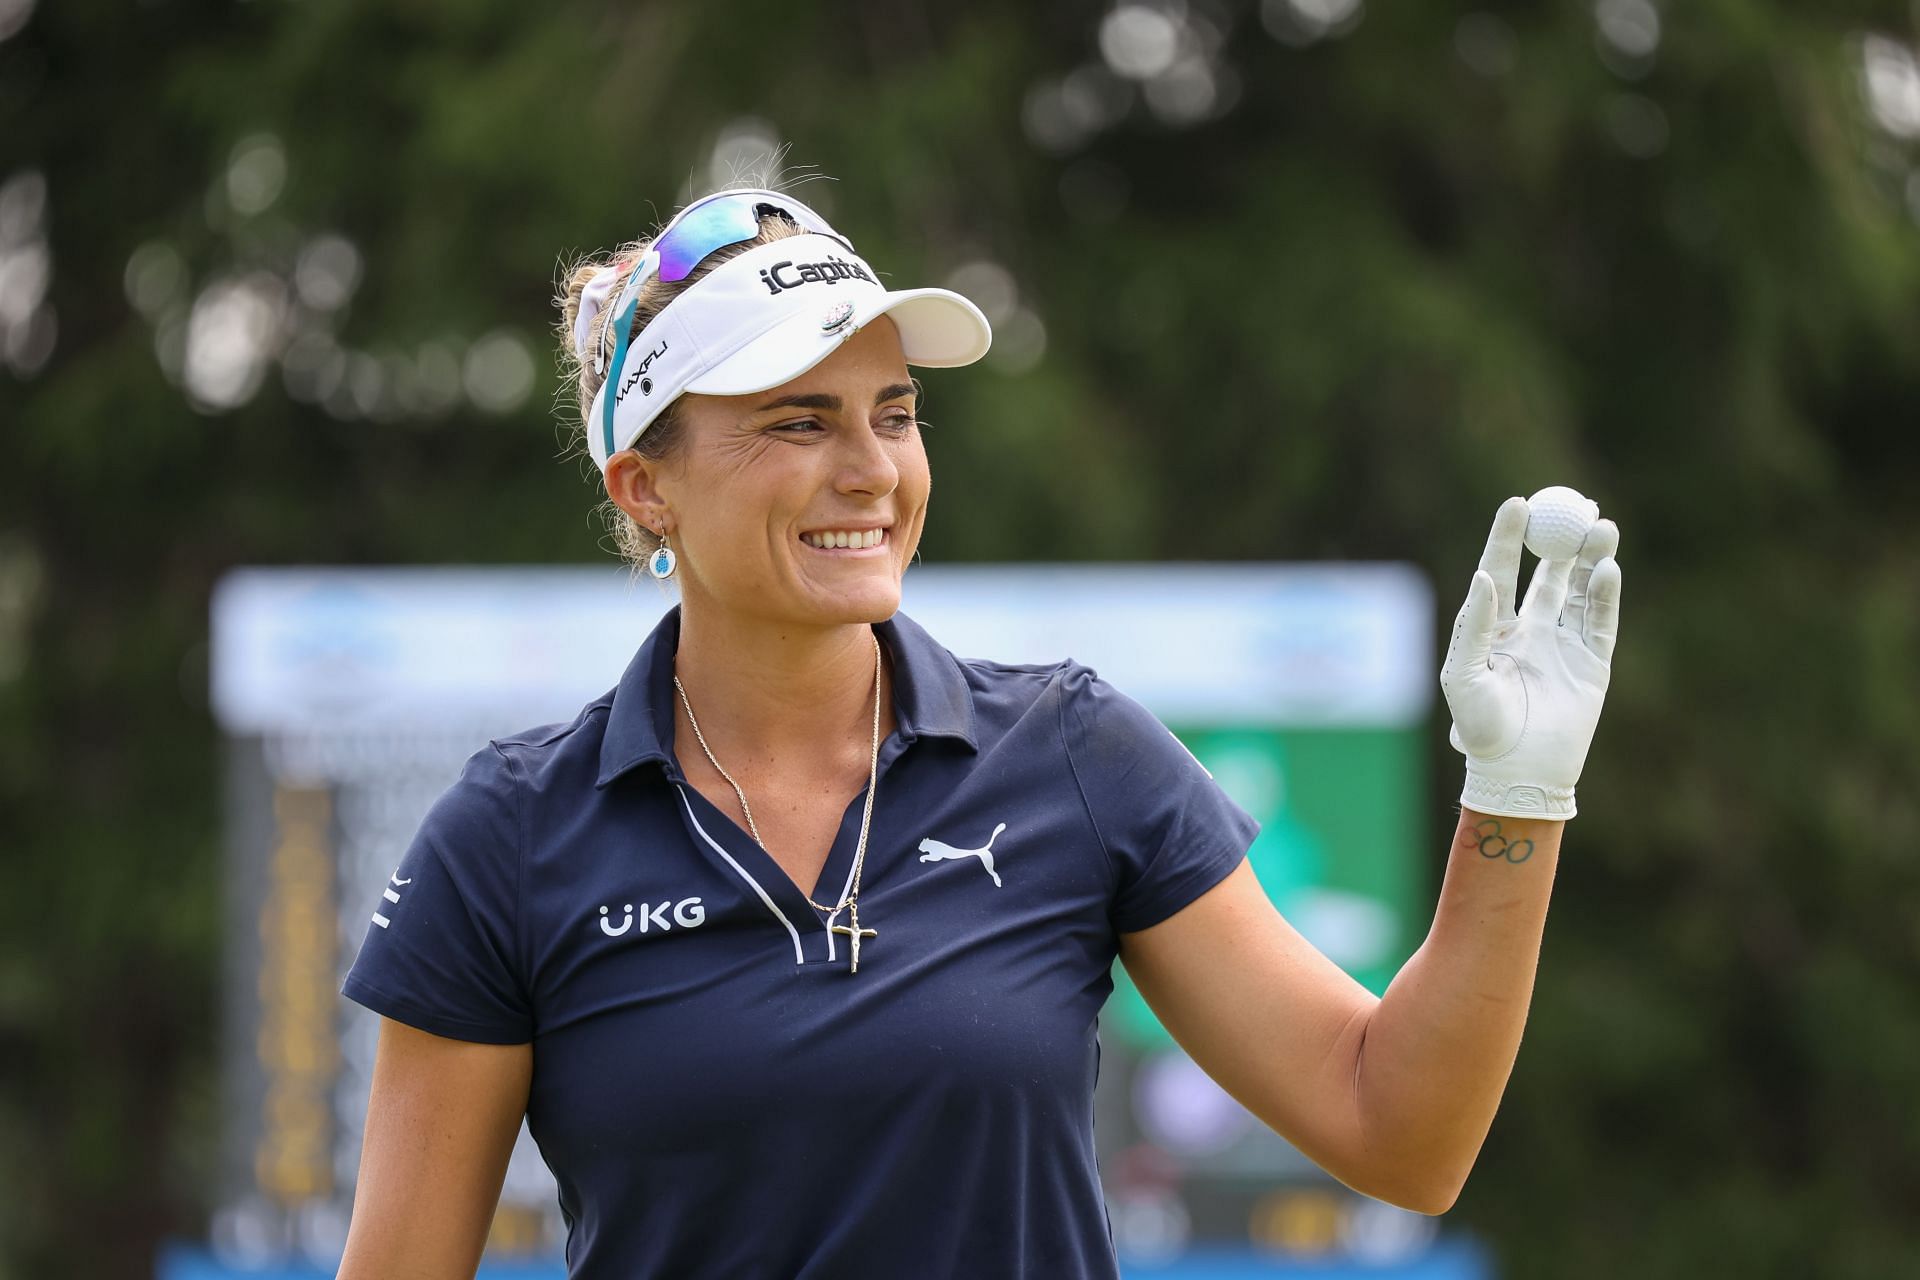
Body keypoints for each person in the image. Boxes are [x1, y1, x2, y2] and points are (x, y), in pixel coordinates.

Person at [335, 182, 1624, 1280]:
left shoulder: (1073, 754)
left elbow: (1400, 1133)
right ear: (646, 485)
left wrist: (1516, 796)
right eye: (800, 420)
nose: (872, 470)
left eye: (893, 413)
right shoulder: (509, 839)